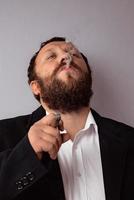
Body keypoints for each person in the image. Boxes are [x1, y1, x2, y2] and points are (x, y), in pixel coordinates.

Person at [0, 37, 134, 200]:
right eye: (51, 56)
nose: (65, 57)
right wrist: (28, 152)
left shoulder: (129, 139)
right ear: (36, 87)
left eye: (73, 54)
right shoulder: (4, 134)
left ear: (88, 78)